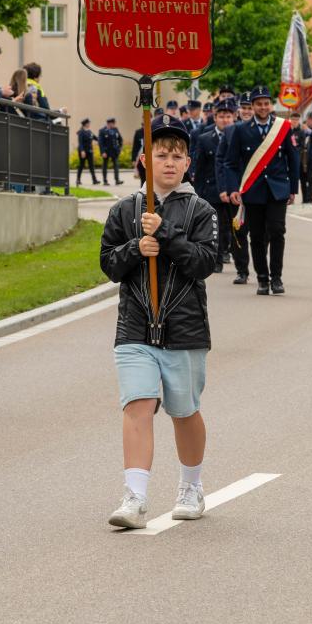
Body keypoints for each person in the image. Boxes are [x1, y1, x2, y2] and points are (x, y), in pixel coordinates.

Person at [100, 114, 218, 529]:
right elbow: (109, 265)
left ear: (187, 164)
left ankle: (191, 486)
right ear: (145, 160)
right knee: (138, 404)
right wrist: (136, 247)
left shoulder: (201, 210)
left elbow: (204, 263)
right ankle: (135, 497)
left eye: (177, 156)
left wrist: (166, 234)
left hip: (184, 328)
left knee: (184, 411)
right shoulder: (124, 209)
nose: (169, 162)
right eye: (161, 154)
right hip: (135, 326)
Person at [224, 86, 299, 296]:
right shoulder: (240, 130)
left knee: (277, 231)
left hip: (278, 190)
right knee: (256, 236)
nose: (263, 107)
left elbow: (293, 159)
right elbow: (230, 163)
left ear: (271, 105)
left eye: (266, 103)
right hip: (253, 191)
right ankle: (262, 279)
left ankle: (277, 278)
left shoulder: (283, 127)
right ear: (253, 106)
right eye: (259, 104)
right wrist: (233, 188)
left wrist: (293, 189)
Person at [192, 100, 235, 272]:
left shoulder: (239, 136)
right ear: (215, 118)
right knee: (215, 226)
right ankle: (217, 259)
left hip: (233, 190)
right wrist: (198, 192)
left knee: (233, 226)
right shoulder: (205, 139)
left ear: (234, 117)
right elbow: (200, 168)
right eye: (221, 116)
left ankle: (233, 255)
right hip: (212, 190)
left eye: (228, 116)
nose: (225, 120)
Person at [216, 100, 250, 284]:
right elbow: (221, 160)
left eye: (250, 108)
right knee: (239, 232)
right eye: (244, 108)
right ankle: (242, 270)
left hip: (260, 189)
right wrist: (224, 188)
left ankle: (265, 271)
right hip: (236, 190)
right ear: (238, 111)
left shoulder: (270, 130)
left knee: (263, 234)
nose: (247, 111)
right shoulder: (230, 131)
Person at [98, 117, 123, 186]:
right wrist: (102, 152)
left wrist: (120, 147)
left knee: (116, 165)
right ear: (109, 123)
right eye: (113, 123)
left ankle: (117, 180)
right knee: (105, 166)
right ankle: (105, 181)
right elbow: (100, 142)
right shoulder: (102, 131)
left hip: (114, 151)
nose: (114, 125)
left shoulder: (115, 129)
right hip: (106, 151)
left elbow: (120, 139)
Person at [76, 118, 99, 186]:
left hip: (89, 151)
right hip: (83, 151)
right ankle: (78, 180)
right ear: (85, 124)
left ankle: (94, 180)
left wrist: (101, 140)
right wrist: (82, 151)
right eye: (88, 123)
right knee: (81, 165)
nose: (89, 124)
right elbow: (80, 142)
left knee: (91, 166)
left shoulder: (89, 132)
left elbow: (96, 138)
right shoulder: (81, 132)